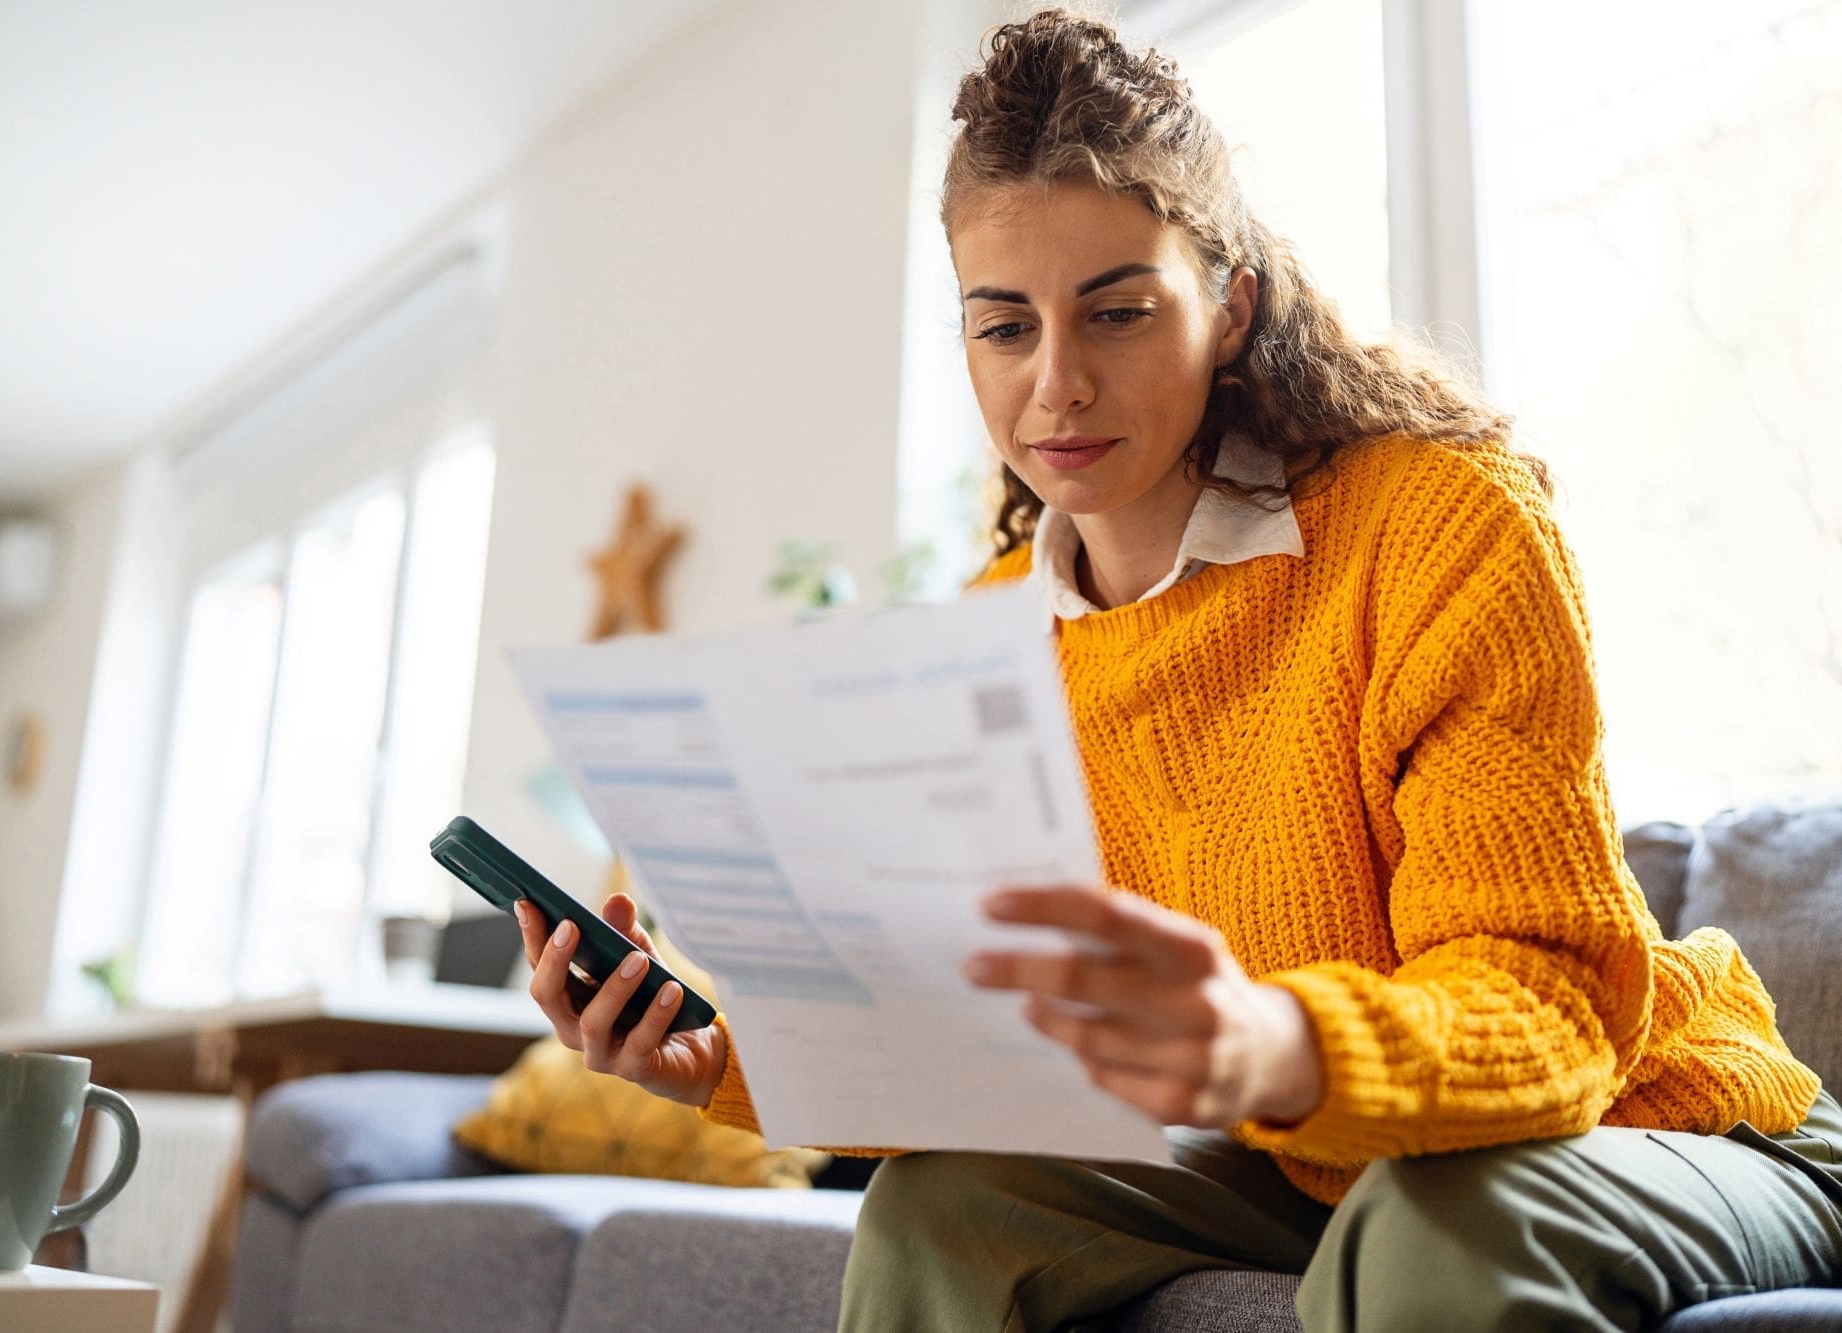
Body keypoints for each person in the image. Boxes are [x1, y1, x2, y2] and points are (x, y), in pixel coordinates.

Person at [514, 9, 1842, 1330]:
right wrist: (717, 1064)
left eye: (1119, 311)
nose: (1057, 388)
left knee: (1433, 1218)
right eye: (1005, 327)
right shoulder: (992, 635)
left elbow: (1552, 1010)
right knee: (944, 1205)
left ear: (1230, 305)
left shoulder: (1441, 526)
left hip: (1653, 1117)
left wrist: (1265, 1040)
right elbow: (970, 1052)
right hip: (1306, 1152)